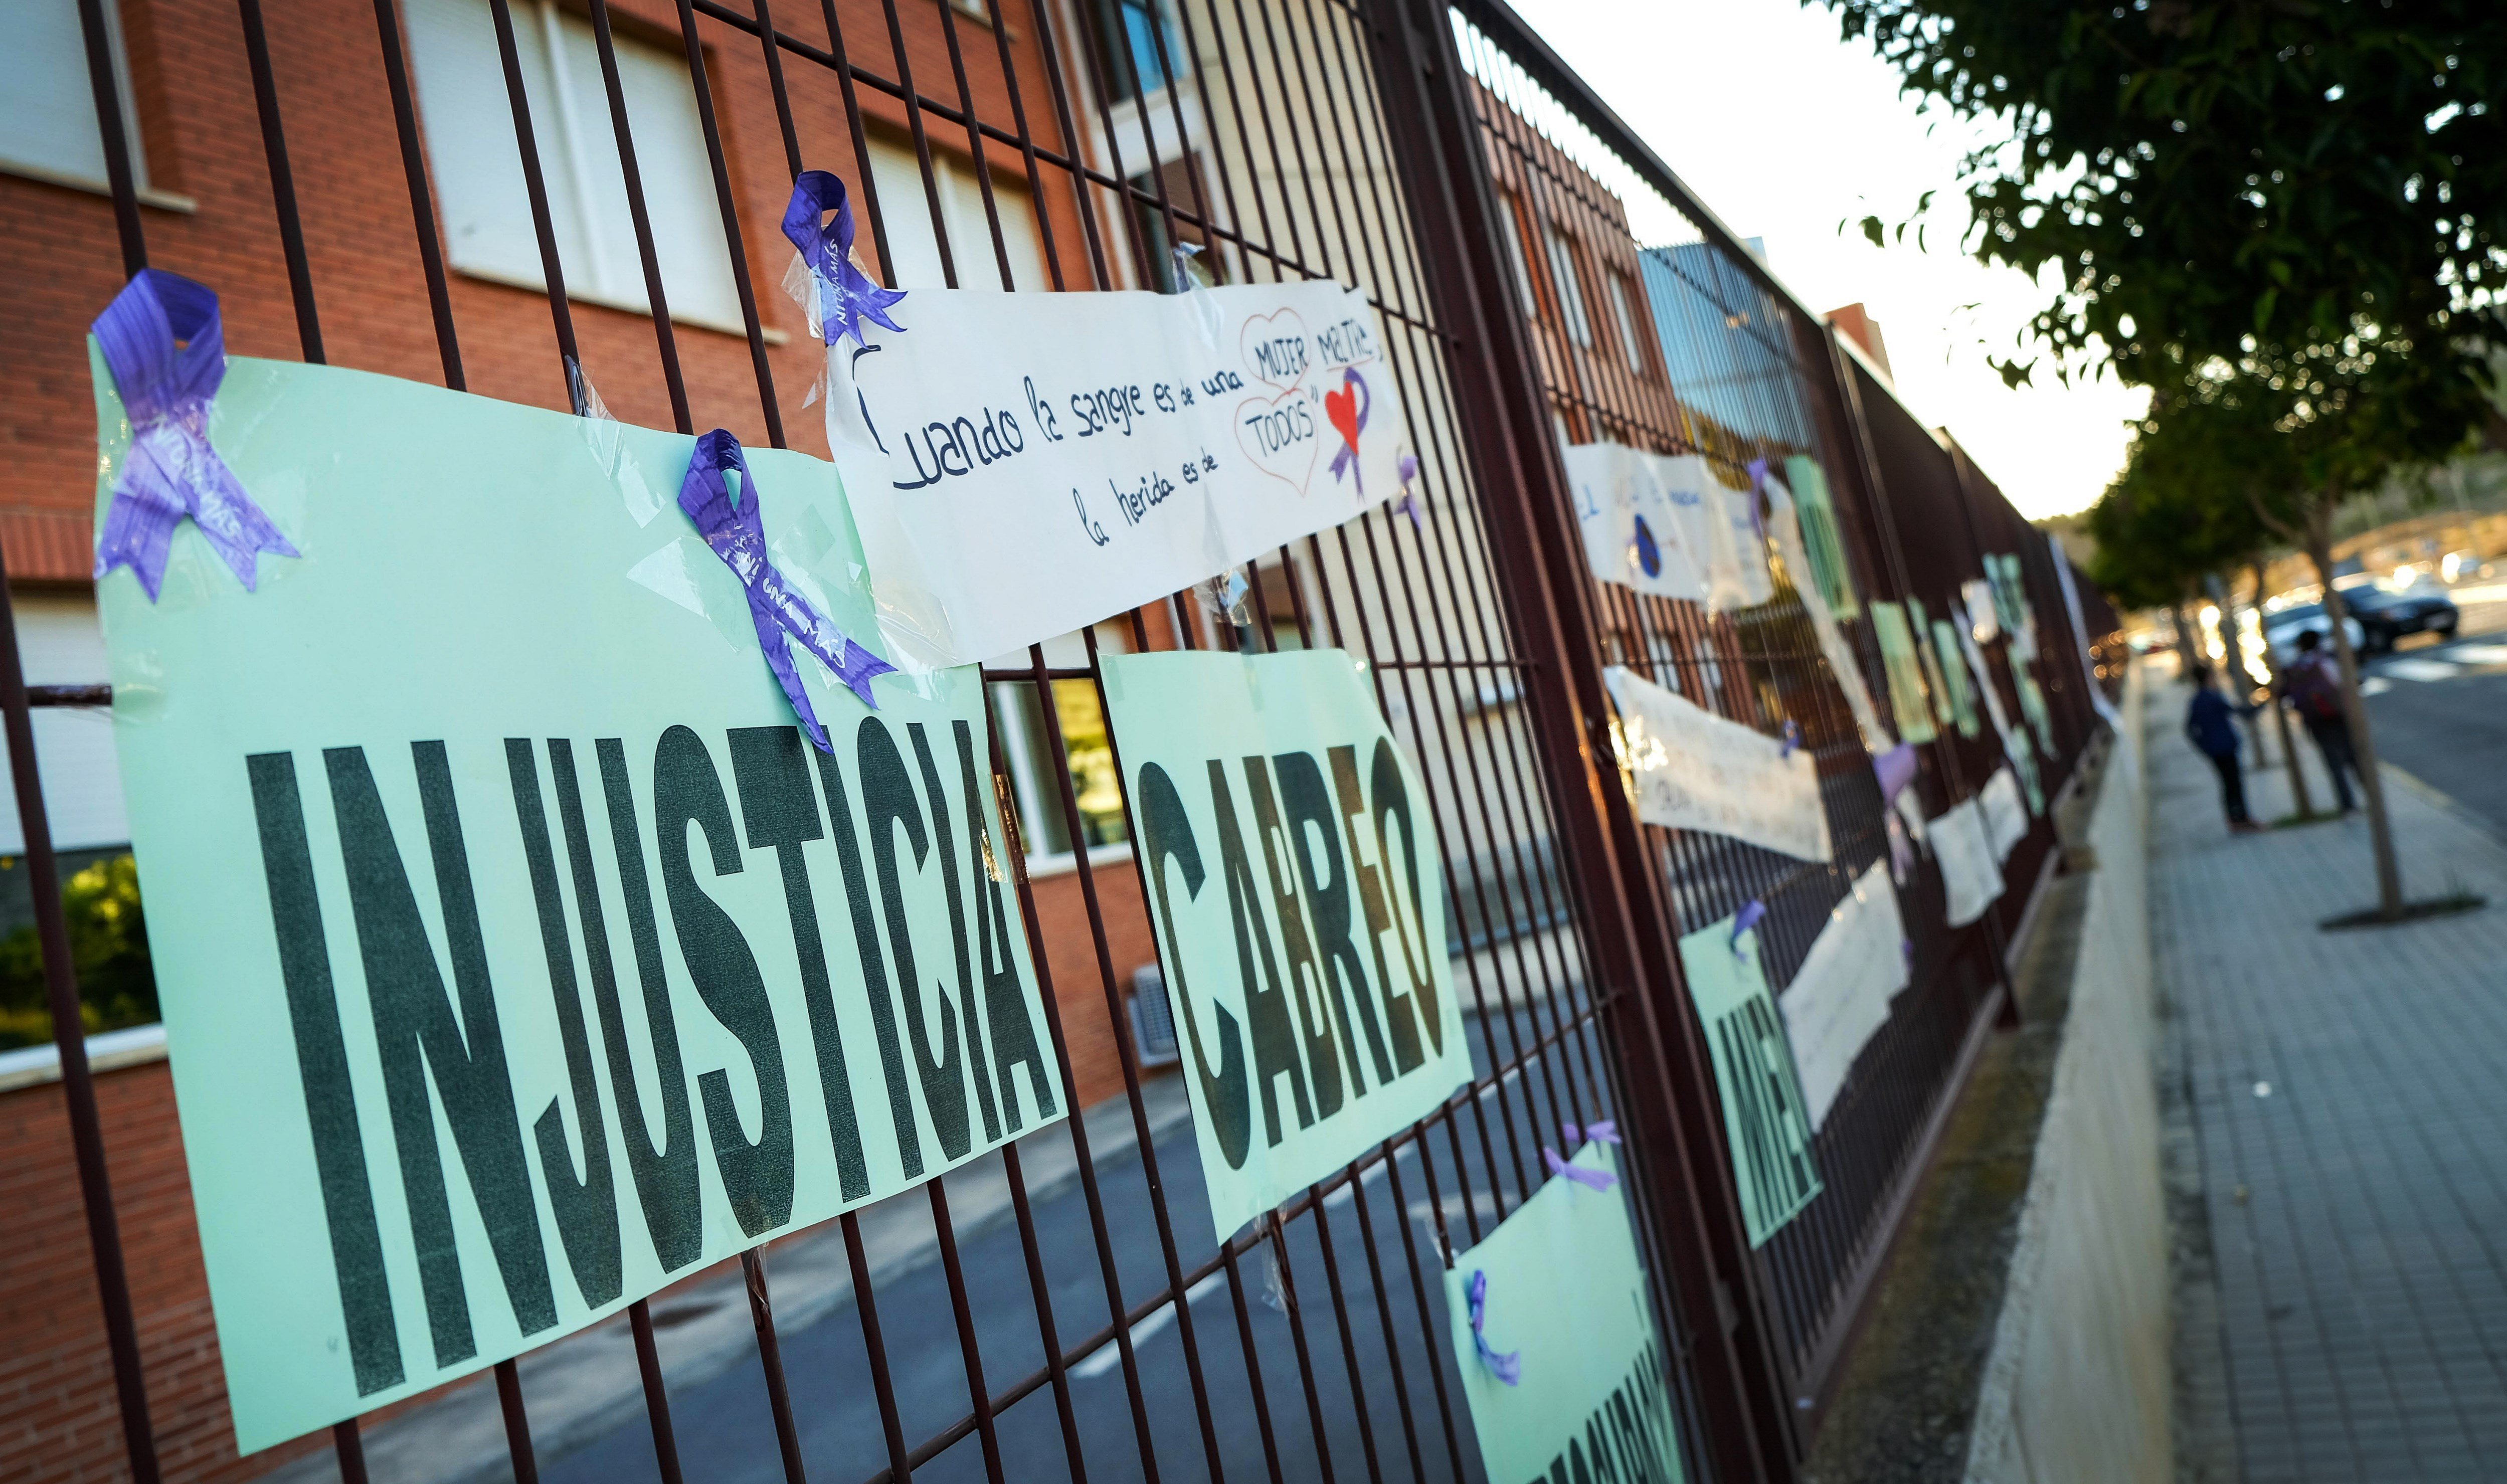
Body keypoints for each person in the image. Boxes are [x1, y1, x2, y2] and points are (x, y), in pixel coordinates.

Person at [2284, 629, 2361, 814]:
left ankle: (2347, 804)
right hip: (2336, 715)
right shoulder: (2326, 660)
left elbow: (2286, 691)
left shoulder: (2297, 667)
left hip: (2314, 720)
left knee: (2332, 762)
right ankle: (2369, 791)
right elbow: (2343, 683)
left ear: (2300, 646)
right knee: (2352, 755)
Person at [2184, 664, 2264, 833]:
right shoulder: (2213, 698)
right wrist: (2263, 703)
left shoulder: (2197, 701)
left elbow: (2190, 729)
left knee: (2228, 784)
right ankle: (2241, 819)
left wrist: (2204, 747)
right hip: (2226, 748)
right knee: (2233, 783)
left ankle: (2236, 819)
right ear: (2208, 678)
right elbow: (2241, 712)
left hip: (2216, 750)